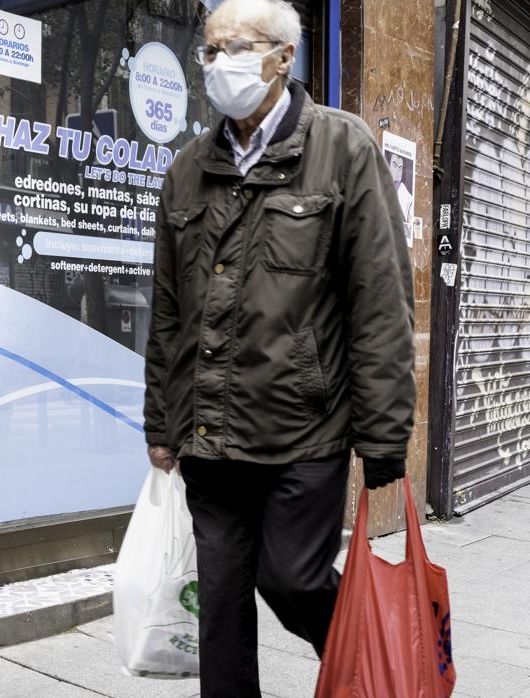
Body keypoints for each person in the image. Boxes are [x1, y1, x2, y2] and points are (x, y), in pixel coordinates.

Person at [141, 0, 416, 695]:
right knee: (220, 612)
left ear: (283, 57)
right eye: (209, 51)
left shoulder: (343, 148)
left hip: (304, 429)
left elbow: (379, 300)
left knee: (289, 577)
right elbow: (168, 313)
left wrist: (384, 433)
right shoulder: (187, 170)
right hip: (209, 433)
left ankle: (370, 660)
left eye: (234, 48)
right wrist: (160, 422)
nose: (216, 65)